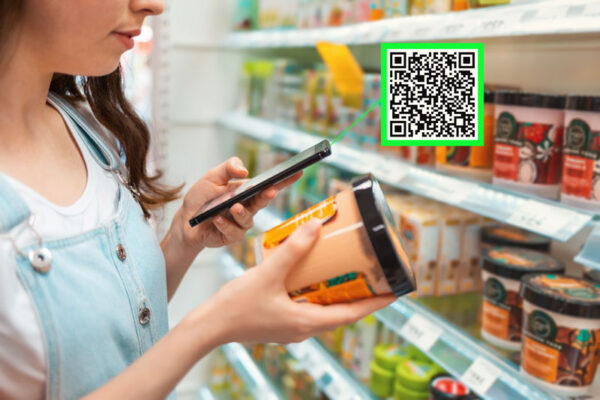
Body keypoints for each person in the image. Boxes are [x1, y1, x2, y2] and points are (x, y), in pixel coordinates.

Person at [0, 1, 395, 399]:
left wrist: (181, 241)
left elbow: (121, 326)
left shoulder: (85, 127)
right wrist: (213, 325)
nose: (153, 5)